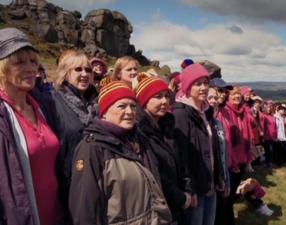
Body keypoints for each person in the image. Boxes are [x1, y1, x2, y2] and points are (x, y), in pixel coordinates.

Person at [69, 81, 172, 224]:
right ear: (104, 112)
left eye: (133, 106)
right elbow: (85, 208)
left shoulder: (138, 140)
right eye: (122, 106)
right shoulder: (92, 148)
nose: (130, 112)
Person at [0, 27, 63, 225]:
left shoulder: (43, 106)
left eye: (33, 61)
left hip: (57, 215)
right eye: (19, 62)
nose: (30, 68)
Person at [135, 74, 192, 224]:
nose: (164, 101)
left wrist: (187, 189)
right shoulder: (139, 132)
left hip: (177, 202)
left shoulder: (167, 125)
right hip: (158, 206)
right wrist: (180, 197)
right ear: (144, 100)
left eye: (167, 96)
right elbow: (154, 173)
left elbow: (180, 161)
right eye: (158, 97)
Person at [51, 50, 98, 216]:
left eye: (88, 70)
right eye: (78, 70)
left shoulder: (96, 102)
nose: (84, 74)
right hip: (67, 184)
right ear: (65, 73)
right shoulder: (53, 100)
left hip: (95, 179)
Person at [172, 64, 219, 225]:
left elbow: (213, 149)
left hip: (209, 184)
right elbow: (180, 156)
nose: (203, 88)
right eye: (198, 83)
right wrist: (188, 189)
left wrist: (218, 178)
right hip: (195, 189)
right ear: (187, 86)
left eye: (206, 83)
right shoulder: (180, 114)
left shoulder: (206, 112)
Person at [215, 86, 253, 225]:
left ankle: (228, 219)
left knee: (231, 196)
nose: (237, 97)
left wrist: (248, 158)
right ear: (228, 98)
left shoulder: (244, 112)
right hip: (230, 161)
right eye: (234, 95)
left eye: (238, 95)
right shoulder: (224, 111)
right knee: (226, 195)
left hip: (242, 158)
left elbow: (248, 136)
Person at [207, 86, 230, 225]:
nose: (214, 101)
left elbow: (223, 154)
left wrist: (225, 179)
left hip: (219, 178)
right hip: (207, 181)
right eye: (210, 98)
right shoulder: (202, 123)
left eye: (215, 98)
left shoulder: (217, 123)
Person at [261, 100, 277, 169]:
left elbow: (275, 127)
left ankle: (269, 162)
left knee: (271, 150)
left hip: (272, 136)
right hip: (266, 136)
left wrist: (275, 135)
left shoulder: (273, 116)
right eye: (267, 108)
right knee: (268, 150)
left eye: (270, 108)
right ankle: (268, 163)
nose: (269, 109)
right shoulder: (263, 116)